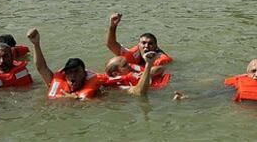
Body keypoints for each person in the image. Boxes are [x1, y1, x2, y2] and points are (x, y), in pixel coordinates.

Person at [27, 28, 157, 99]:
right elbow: (41, 67)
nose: (72, 76)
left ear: (84, 73)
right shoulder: (57, 83)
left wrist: (149, 64)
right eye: (69, 72)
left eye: (76, 71)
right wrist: (36, 44)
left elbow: (139, 92)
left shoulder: (100, 87)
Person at [106, 13, 172, 67]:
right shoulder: (133, 54)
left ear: (156, 47)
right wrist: (113, 26)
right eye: (143, 43)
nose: (146, 46)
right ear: (139, 45)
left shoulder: (161, 58)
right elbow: (111, 44)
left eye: (150, 44)